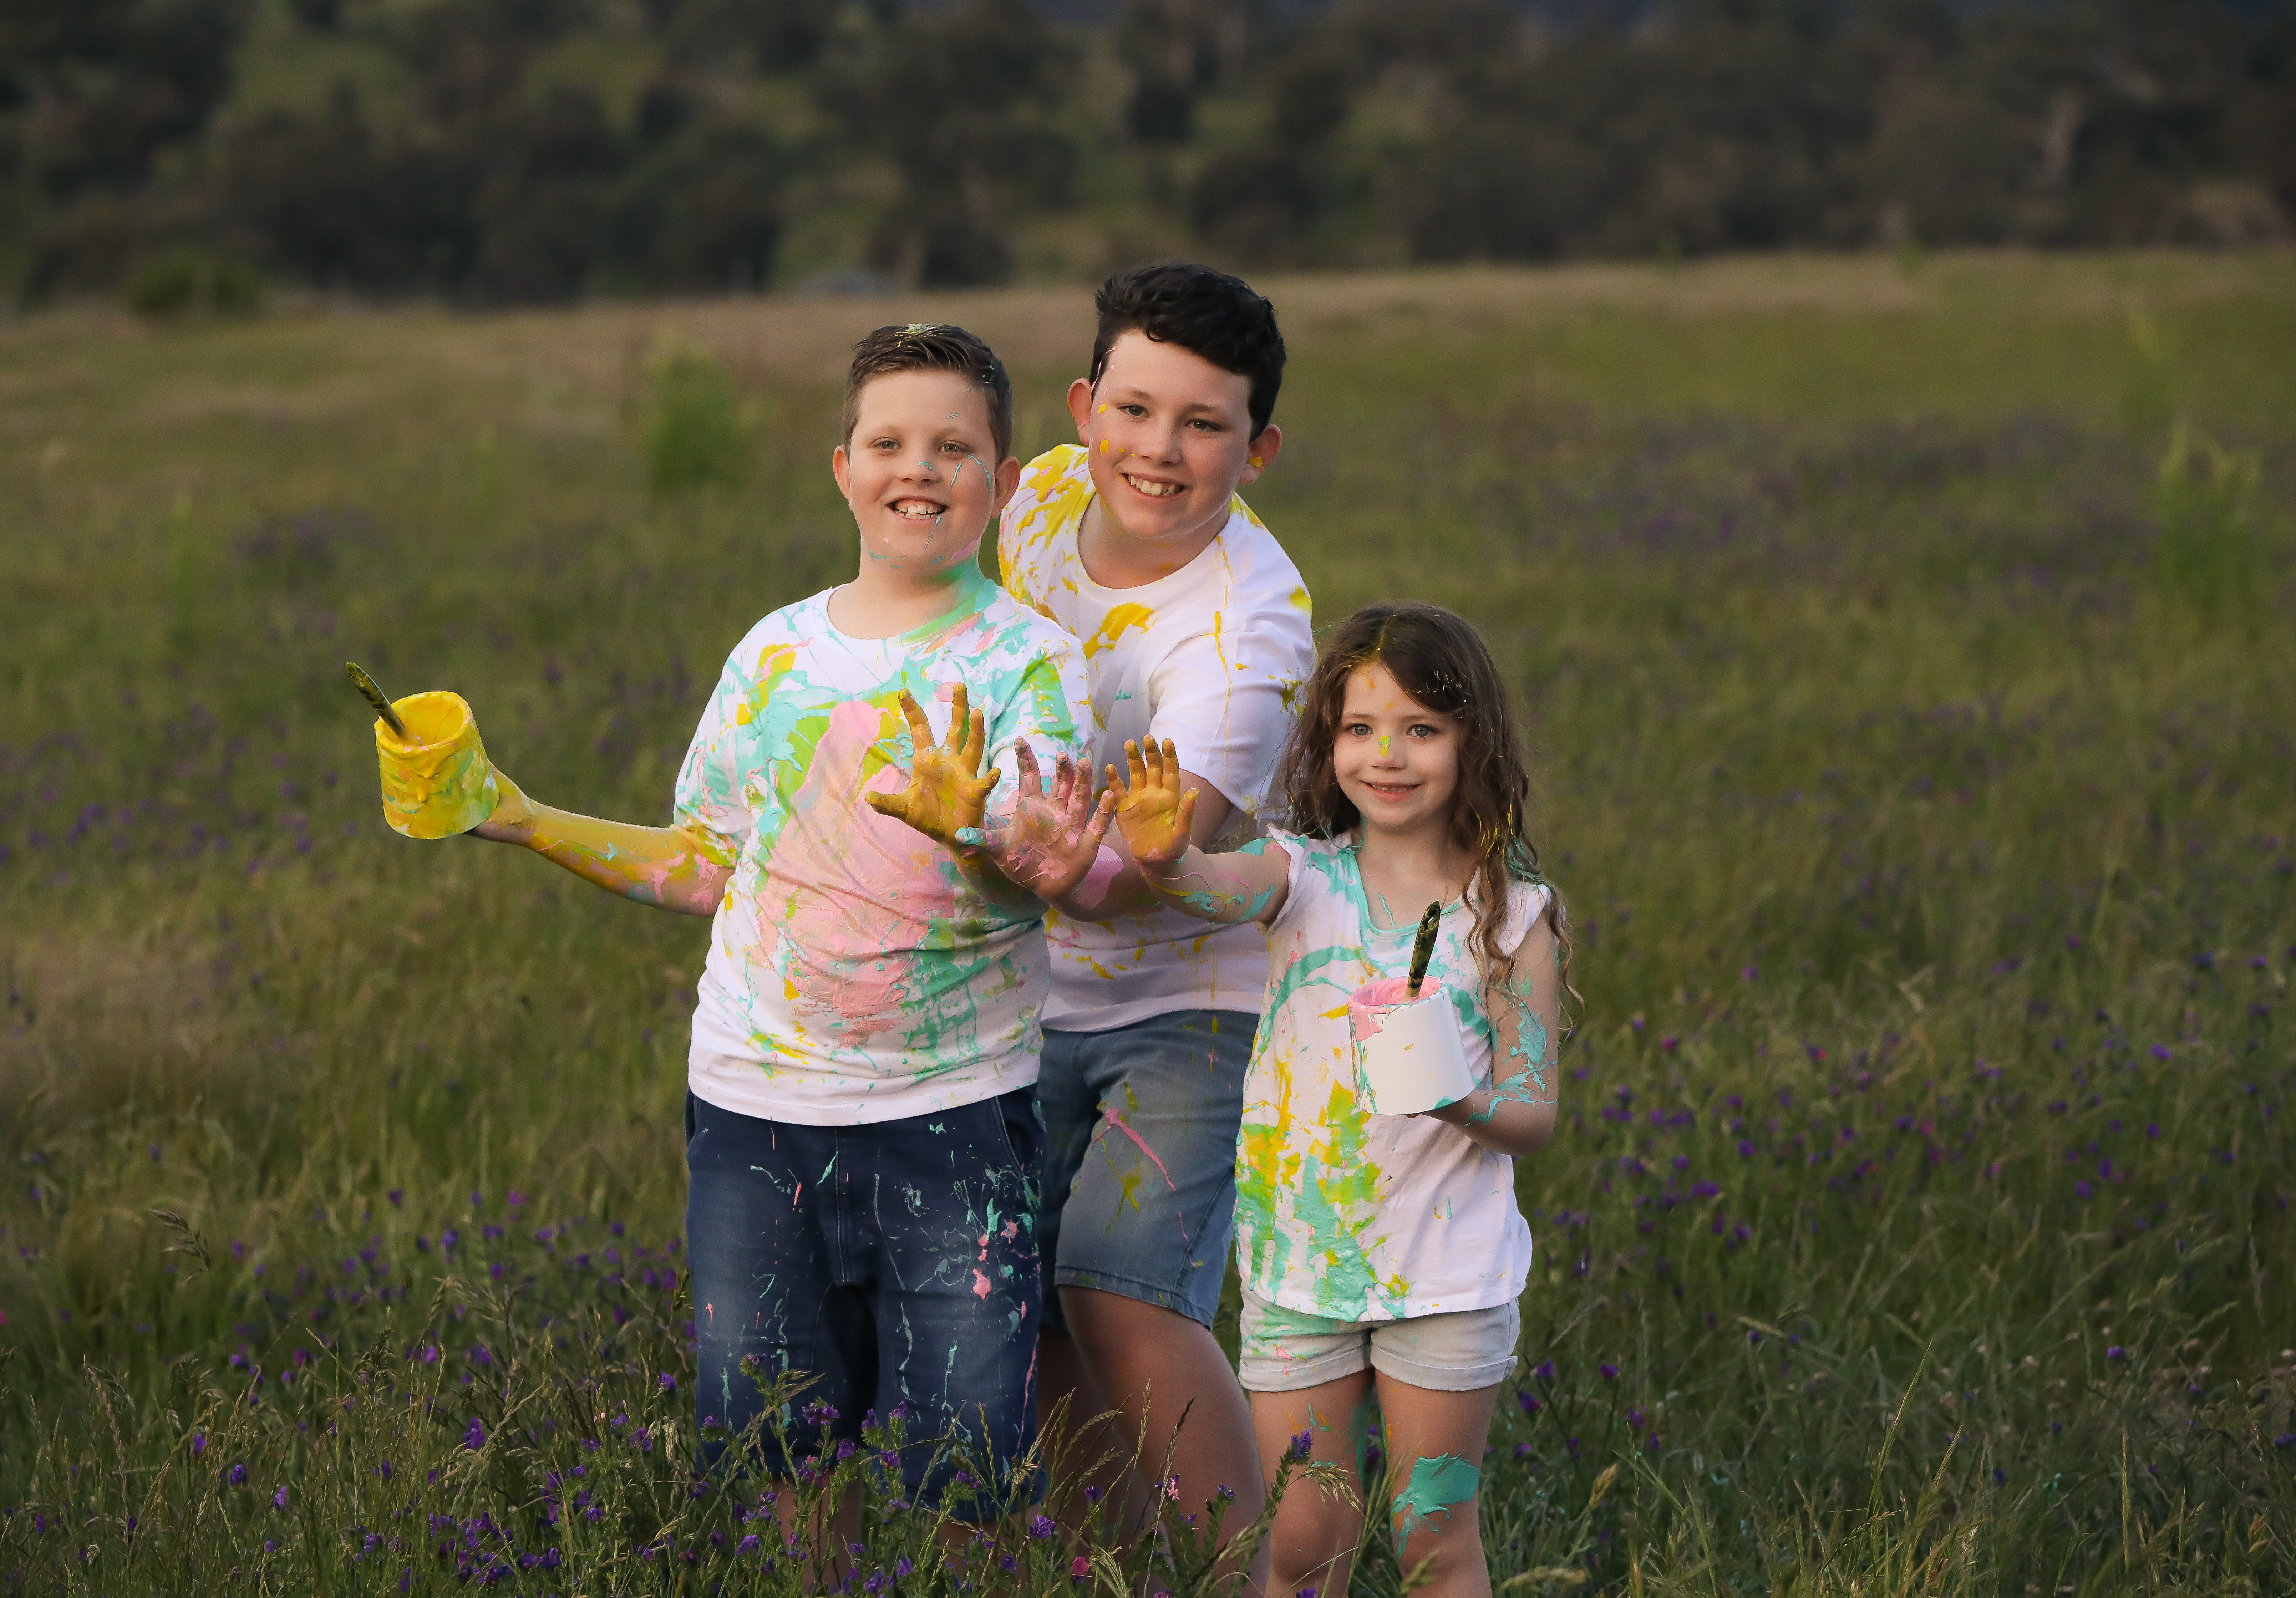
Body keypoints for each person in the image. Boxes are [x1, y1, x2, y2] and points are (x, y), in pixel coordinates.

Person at [438, 323, 1096, 1552]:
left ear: (1004, 484)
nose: (921, 468)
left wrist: (988, 832)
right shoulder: (774, 651)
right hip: (754, 1105)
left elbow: (1051, 866)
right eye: (890, 442)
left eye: (957, 447)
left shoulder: (1032, 664)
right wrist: (520, 818)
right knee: (778, 1444)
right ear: (840, 467)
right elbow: (705, 862)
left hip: (954, 1113)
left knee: (972, 1469)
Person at [1102, 601, 1571, 1598]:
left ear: (1471, 741)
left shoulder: (1511, 915)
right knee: (1309, 1539)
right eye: (1359, 728)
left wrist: (1455, 1098)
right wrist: (1161, 855)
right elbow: (1204, 887)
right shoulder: (1300, 876)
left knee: (1433, 1541)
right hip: (1299, 1271)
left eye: (1421, 730)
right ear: (1328, 743)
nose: (1386, 756)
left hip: (1448, 1282)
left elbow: (1531, 1115)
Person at [997, 261, 1314, 1546]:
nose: (1159, 452)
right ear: (1082, 406)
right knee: (1030, 1302)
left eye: (1203, 425)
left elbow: (1144, 876)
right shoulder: (1042, 497)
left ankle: (1265, 1577)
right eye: (1135, 410)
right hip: (1018, 986)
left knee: (1120, 1287)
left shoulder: (1249, 636)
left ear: (1260, 447)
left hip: (1193, 993)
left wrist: (964, 846)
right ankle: (1114, 1567)